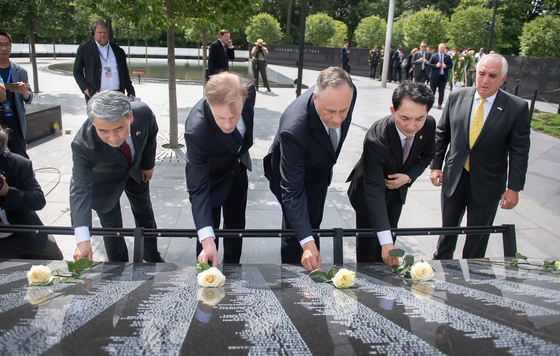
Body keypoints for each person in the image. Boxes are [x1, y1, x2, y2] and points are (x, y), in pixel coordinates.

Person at [429, 54, 531, 260]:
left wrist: (514, 188)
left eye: (492, 76)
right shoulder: (457, 97)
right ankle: (440, 267)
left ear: (502, 79)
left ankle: (473, 276)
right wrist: (435, 165)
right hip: (454, 177)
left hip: (488, 183)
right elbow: (442, 134)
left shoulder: (517, 107)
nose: (485, 80)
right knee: (447, 231)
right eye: (481, 73)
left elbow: (519, 151)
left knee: (477, 238)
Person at [263, 67, 357, 272]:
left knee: (313, 220)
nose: (338, 119)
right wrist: (306, 242)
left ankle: (313, 262)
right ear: (315, 98)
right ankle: (290, 276)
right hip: (290, 174)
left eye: (344, 110)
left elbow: (338, 115)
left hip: (319, 165)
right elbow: (293, 192)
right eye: (330, 111)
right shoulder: (294, 130)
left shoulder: (348, 92)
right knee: (295, 229)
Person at [347, 81, 436, 265]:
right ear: (392, 110)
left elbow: (428, 155)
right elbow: (374, 189)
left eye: (420, 118)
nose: (412, 126)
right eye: (404, 118)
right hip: (369, 192)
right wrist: (385, 242)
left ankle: (386, 280)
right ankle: (367, 281)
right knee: (370, 242)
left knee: (390, 235)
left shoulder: (428, 125)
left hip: (397, 189)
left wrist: (409, 176)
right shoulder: (376, 138)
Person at [70, 91, 164, 263]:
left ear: (131, 117)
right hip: (104, 182)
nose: (113, 138)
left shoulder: (144, 113)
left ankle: (151, 255)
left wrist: (148, 165)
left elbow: (151, 134)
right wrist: (82, 240)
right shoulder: (82, 144)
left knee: (145, 214)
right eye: (103, 131)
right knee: (112, 228)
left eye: (119, 128)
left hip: (136, 172)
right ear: (93, 123)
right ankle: (118, 266)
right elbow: (79, 188)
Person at [184, 72, 256, 266]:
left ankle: (232, 264)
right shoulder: (195, 131)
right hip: (211, 178)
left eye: (234, 116)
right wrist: (207, 239)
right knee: (210, 228)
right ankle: (207, 267)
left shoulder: (248, 90)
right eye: (220, 117)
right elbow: (197, 189)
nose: (227, 124)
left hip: (237, 167)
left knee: (236, 223)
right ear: (208, 102)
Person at [0, 127, 63, 260]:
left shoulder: (18, 164)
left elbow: (38, 200)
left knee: (56, 260)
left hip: (26, 233)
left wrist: (7, 192)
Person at [73, 20, 135, 103]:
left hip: (117, 95)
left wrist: (130, 91)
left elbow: (125, 73)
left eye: (105, 32)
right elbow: (77, 71)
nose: (102, 35)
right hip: (96, 96)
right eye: (99, 32)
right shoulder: (84, 49)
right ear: (93, 33)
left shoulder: (118, 51)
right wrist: (86, 89)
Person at [0, 28, 33, 159]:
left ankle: (24, 178)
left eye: (6, 44)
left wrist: (25, 92)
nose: (3, 48)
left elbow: (29, 98)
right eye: (0, 45)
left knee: (20, 154)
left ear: (11, 46)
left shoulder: (20, 71)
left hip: (13, 115)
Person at [428, 43, 453, 109]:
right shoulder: (434, 56)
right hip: (434, 76)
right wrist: (436, 66)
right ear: (438, 48)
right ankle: (431, 103)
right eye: (441, 48)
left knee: (441, 91)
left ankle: (440, 104)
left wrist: (446, 66)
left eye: (443, 48)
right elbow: (429, 64)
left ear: (445, 49)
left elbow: (451, 65)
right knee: (432, 91)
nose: (442, 49)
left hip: (442, 77)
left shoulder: (447, 57)